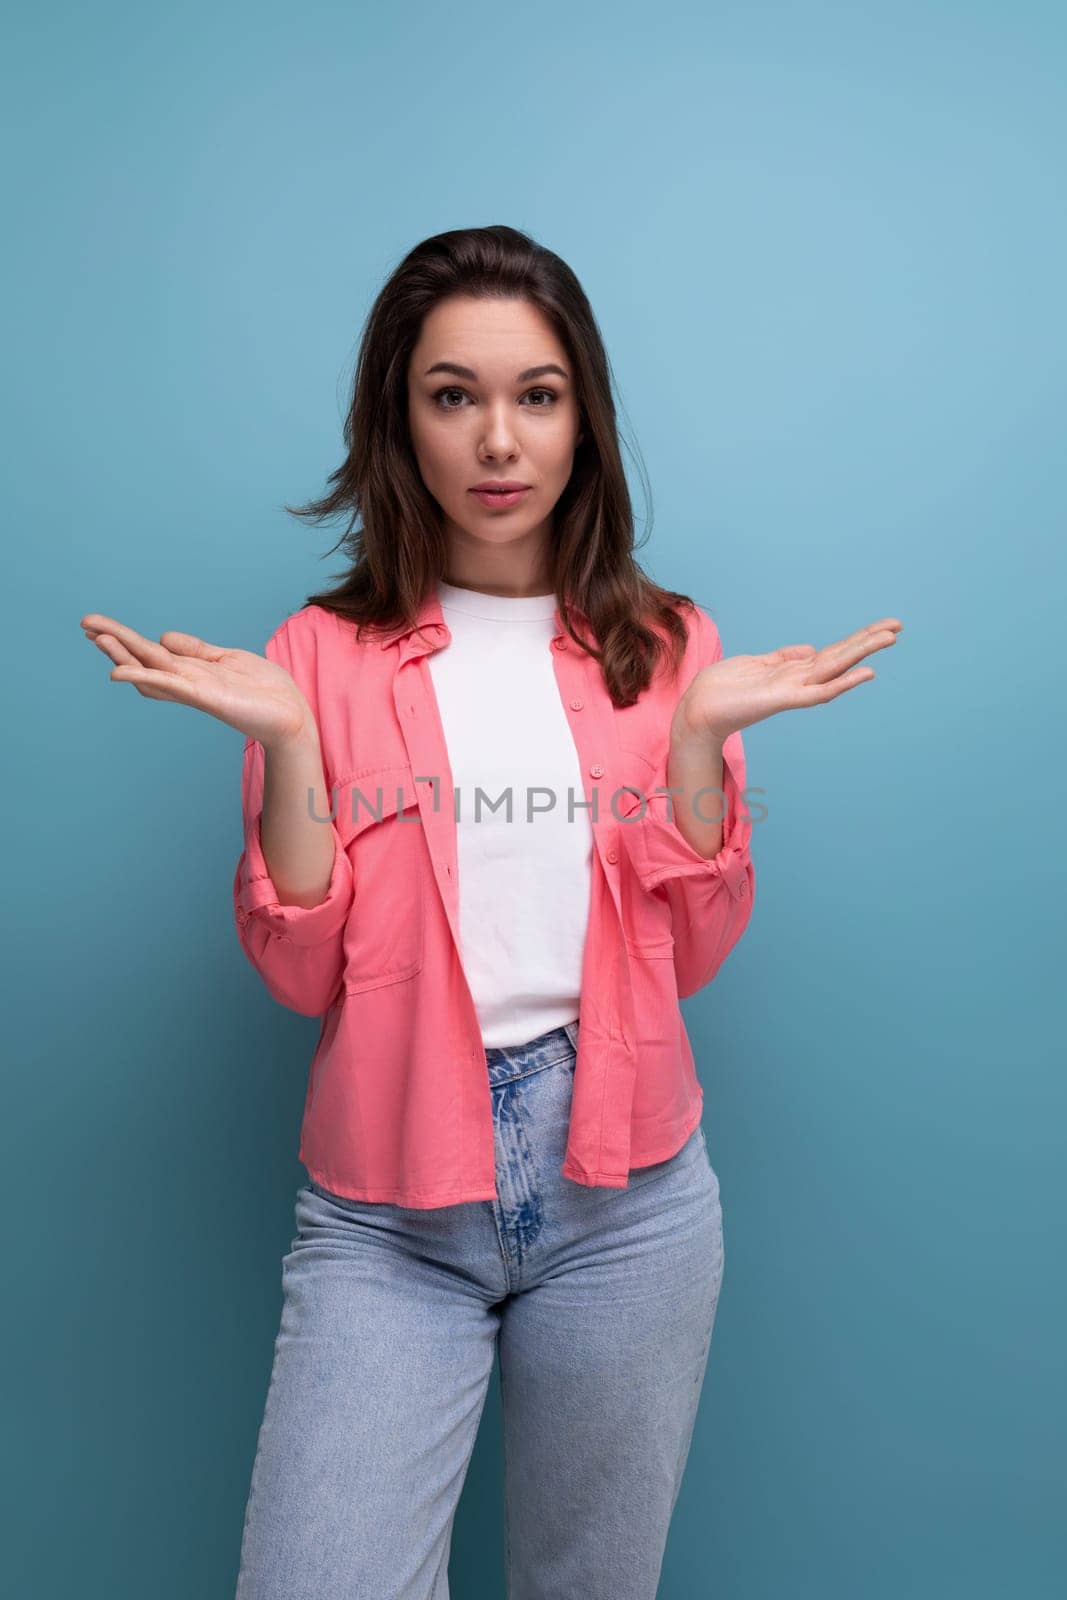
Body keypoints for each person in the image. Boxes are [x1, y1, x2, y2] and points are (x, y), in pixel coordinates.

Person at [80, 225, 902, 1600]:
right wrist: (290, 744)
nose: (498, 440)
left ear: (584, 416)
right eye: (453, 395)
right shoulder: (315, 657)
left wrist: (696, 742)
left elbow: (692, 952)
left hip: (629, 1200)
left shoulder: (672, 646)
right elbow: (299, 974)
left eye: (537, 394)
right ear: (400, 421)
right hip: (390, 1208)